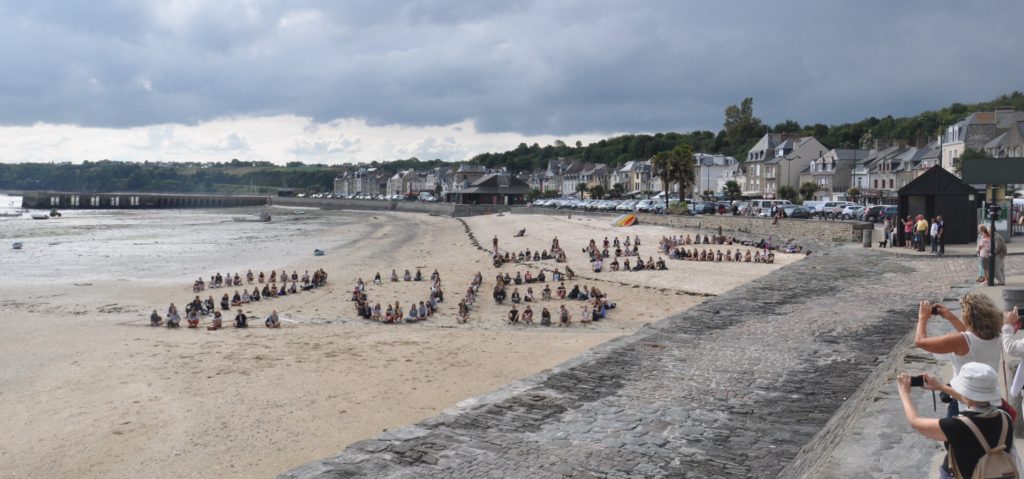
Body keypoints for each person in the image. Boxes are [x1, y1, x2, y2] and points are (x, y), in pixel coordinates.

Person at [897, 362, 1017, 479]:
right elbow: (973, 401)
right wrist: (940, 386)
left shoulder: (957, 426)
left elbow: (915, 422)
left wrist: (904, 392)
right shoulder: (1005, 418)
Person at [916, 295, 1004, 417]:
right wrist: (951, 318)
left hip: (964, 402)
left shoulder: (961, 340)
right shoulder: (996, 336)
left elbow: (921, 342)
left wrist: (922, 318)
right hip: (990, 397)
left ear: (968, 317)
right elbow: (972, 337)